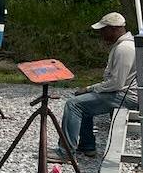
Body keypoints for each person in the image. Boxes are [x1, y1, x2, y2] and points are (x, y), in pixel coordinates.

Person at [49, 12, 136, 163]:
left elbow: (116, 83)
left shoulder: (124, 49)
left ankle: (66, 153)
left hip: (126, 96)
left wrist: (90, 88)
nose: (101, 33)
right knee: (81, 101)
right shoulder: (123, 45)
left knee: (73, 105)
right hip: (124, 93)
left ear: (113, 29)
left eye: (103, 30)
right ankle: (87, 146)